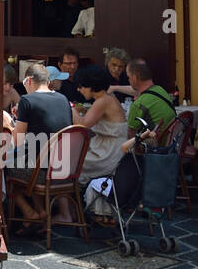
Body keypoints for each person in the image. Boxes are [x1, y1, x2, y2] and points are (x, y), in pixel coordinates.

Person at [7, 64, 74, 225]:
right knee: (30, 159)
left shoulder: (27, 100)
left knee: (3, 167)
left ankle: (29, 212)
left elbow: (17, 141)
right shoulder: (63, 99)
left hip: (42, 173)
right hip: (65, 170)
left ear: (29, 80)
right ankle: (41, 211)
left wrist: (13, 124)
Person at [72, 64, 128, 183]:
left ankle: (69, 195)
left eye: (81, 86)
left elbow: (82, 126)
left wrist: (71, 107)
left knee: (71, 162)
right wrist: (83, 110)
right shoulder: (107, 98)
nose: (78, 89)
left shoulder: (102, 101)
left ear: (90, 85)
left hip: (109, 153)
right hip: (110, 148)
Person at [125, 59, 176, 137]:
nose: (128, 80)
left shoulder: (139, 104)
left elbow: (130, 136)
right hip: (172, 142)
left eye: (129, 77)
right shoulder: (160, 90)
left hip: (156, 146)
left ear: (135, 77)